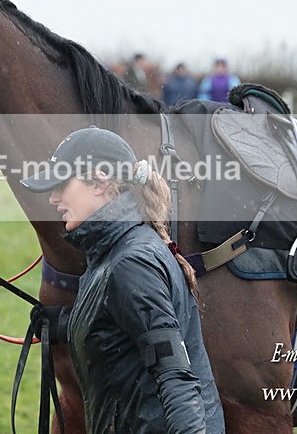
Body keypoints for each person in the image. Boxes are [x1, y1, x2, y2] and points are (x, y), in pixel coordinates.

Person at [21, 127, 225, 433]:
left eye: (61, 184)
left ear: (99, 182)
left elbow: (175, 377)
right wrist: (64, 323)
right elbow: (125, 326)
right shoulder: (111, 249)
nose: (53, 198)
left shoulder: (131, 264)